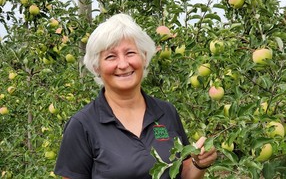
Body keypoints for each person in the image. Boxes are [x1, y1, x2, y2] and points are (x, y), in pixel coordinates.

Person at [54, 13, 217, 179]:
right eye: (111, 56)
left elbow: (182, 173)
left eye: (130, 53)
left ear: (144, 57)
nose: (123, 64)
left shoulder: (166, 112)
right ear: (97, 67)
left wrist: (199, 163)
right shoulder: (83, 125)